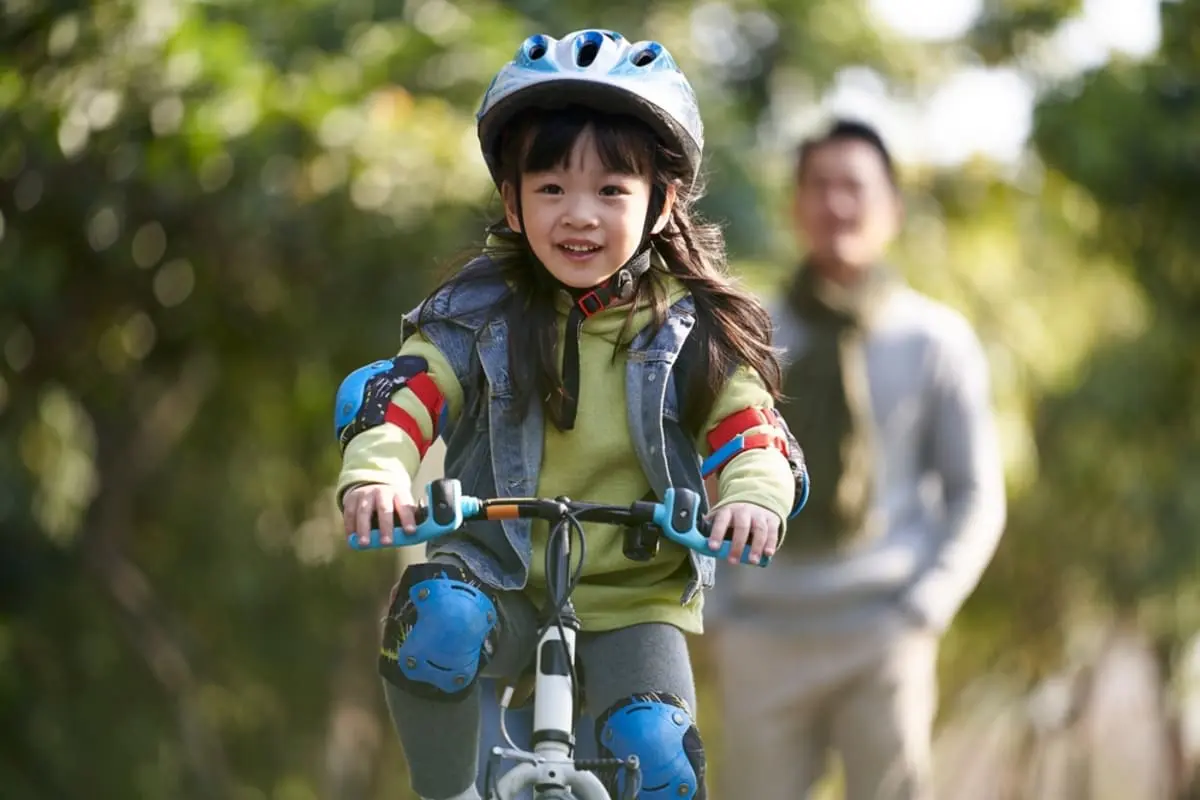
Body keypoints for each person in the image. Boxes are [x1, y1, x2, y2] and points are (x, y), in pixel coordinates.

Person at [332, 29, 806, 800]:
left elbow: (748, 428)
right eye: (551, 188)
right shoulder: (475, 312)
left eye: (612, 191)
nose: (579, 215)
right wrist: (378, 472)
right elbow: (407, 395)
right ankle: (447, 794)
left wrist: (752, 496)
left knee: (658, 756)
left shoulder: (692, 328)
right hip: (496, 573)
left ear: (662, 204)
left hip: (636, 596)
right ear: (511, 203)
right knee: (436, 617)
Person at [707, 119, 1007, 800]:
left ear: (892, 210)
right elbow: (700, 473)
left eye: (855, 187)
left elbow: (975, 494)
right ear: (795, 206)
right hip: (763, 631)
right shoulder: (746, 331)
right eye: (819, 186)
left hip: (883, 630)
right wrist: (720, 612)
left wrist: (926, 605)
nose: (836, 204)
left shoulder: (935, 340)